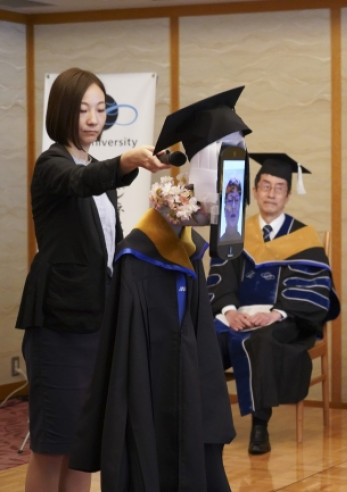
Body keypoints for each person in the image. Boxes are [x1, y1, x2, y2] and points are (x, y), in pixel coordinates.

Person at [68, 87, 251, 490]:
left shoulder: (189, 251)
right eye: (217, 171)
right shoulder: (138, 259)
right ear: (187, 179)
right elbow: (128, 368)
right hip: (152, 410)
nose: (228, 191)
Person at [15, 67, 170, 492]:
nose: (93, 119)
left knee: (84, 445)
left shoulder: (95, 167)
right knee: (53, 446)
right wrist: (127, 160)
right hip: (59, 323)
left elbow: (106, 235)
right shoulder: (52, 164)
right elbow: (81, 181)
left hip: (96, 320)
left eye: (101, 109)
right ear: (62, 110)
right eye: (83, 109)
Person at [208, 152, 340, 455]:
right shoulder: (235, 232)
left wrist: (276, 313)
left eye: (279, 188)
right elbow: (220, 277)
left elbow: (311, 290)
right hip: (236, 316)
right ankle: (208, 422)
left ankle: (260, 425)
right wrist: (229, 311)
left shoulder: (304, 238)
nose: (271, 193)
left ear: (288, 196)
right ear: (254, 191)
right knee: (203, 339)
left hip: (284, 319)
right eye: (265, 186)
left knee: (264, 341)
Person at [220, 177, 243, 243]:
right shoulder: (219, 242)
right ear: (224, 208)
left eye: (237, 200)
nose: (233, 206)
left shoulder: (246, 243)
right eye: (230, 200)